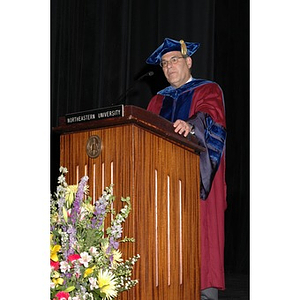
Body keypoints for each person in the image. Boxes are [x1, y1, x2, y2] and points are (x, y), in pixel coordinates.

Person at [146, 38, 227, 300]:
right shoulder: (157, 101)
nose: (169, 67)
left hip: (195, 181)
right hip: (162, 183)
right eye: (164, 63)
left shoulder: (208, 90)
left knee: (200, 238)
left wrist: (192, 126)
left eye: (175, 60)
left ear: (188, 62)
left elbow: (211, 115)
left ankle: (204, 294)